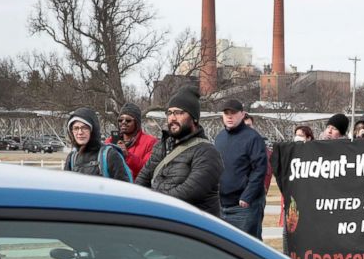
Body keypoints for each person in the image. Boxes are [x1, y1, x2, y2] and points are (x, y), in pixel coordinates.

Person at [136, 86, 223, 218]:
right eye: (169, 113)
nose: (172, 118)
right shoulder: (162, 146)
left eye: (179, 113)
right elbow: (143, 178)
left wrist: (153, 202)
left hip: (193, 229)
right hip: (162, 220)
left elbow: (188, 193)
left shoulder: (207, 152)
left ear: (194, 118)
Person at [215, 98, 268, 239]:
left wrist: (248, 195)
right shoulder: (219, 138)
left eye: (233, 113)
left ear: (242, 114)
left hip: (244, 206)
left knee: (248, 250)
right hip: (222, 205)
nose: (230, 116)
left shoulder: (253, 138)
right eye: (226, 113)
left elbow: (260, 169)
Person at [62, 107, 131, 181]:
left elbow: (124, 188)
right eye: (76, 128)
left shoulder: (109, 155)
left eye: (84, 128)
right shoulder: (72, 158)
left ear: (93, 130)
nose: (80, 132)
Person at [105, 102, 157, 180]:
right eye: (120, 120)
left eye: (128, 120)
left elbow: (148, 170)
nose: (123, 122)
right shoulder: (109, 142)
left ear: (137, 123)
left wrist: (127, 156)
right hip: (114, 186)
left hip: (136, 188)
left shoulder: (150, 142)